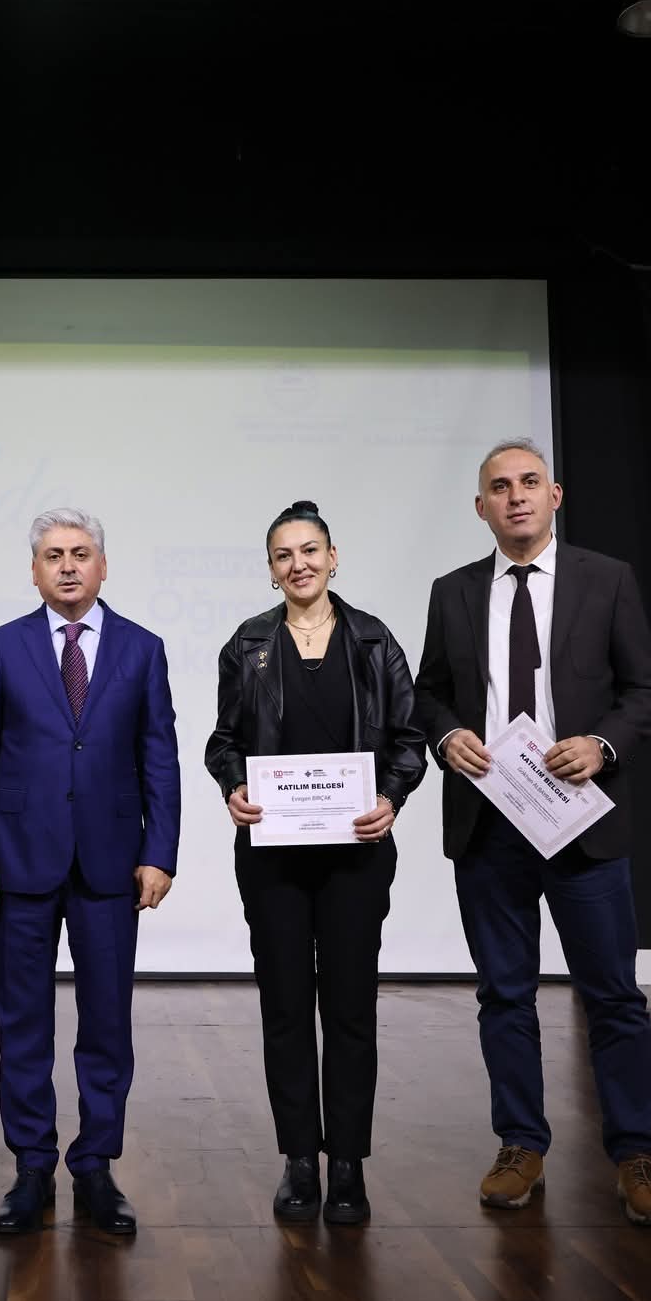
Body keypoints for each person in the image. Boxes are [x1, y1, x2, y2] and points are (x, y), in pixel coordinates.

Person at [411, 438, 651, 1229]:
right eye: (500, 487)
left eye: (530, 482)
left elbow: (647, 692)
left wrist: (602, 746)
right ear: (481, 507)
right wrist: (446, 736)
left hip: (580, 819)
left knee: (614, 997)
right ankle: (520, 1145)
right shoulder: (453, 592)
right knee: (504, 994)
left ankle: (636, 1154)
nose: (516, 496)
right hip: (491, 823)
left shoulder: (607, 579)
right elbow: (428, 693)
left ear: (555, 495)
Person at [0, 508, 181, 1235]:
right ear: (34, 571)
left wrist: (160, 852)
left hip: (112, 864)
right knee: (22, 1020)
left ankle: (95, 1166)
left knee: (107, 1021)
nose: (68, 566)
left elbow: (160, 760)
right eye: (53, 555)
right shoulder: (2, 647)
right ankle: (31, 1165)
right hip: (19, 863)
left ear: (103, 566)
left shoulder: (143, 649)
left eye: (81, 553)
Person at [204, 500, 427, 1225]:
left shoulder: (374, 641)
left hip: (356, 855)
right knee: (286, 1005)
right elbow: (223, 741)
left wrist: (390, 797)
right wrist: (234, 786)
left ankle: (348, 1162)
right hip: (272, 857)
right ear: (271, 571)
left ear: (334, 558)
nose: (298, 564)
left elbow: (409, 740)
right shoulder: (247, 644)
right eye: (283, 555)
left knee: (352, 1007)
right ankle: (300, 1159)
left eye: (309, 550)